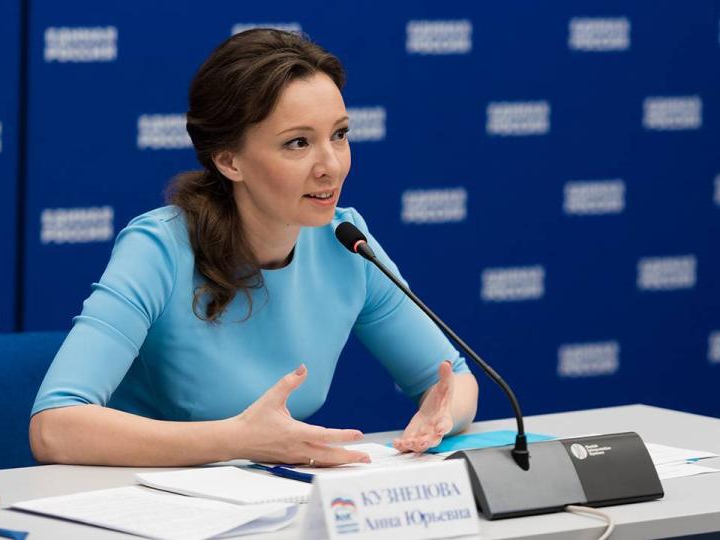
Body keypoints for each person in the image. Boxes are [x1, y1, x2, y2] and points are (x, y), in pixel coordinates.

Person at [29, 29, 478, 468]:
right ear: (229, 160)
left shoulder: (346, 242)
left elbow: (452, 378)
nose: (331, 166)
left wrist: (440, 415)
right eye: (298, 143)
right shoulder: (160, 248)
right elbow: (55, 426)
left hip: (269, 496)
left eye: (339, 135)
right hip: (139, 497)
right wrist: (237, 440)